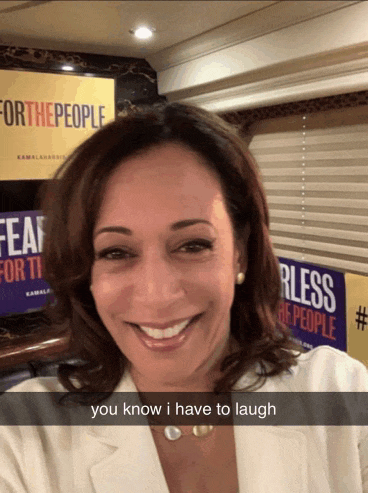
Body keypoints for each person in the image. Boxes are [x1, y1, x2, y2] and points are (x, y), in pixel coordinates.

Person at [0, 102, 367, 492]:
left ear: (240, 252)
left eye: (192, 245)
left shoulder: (340, 394)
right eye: (116, 252)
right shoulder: (24, 436)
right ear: (86, 272)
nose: (157, 295)